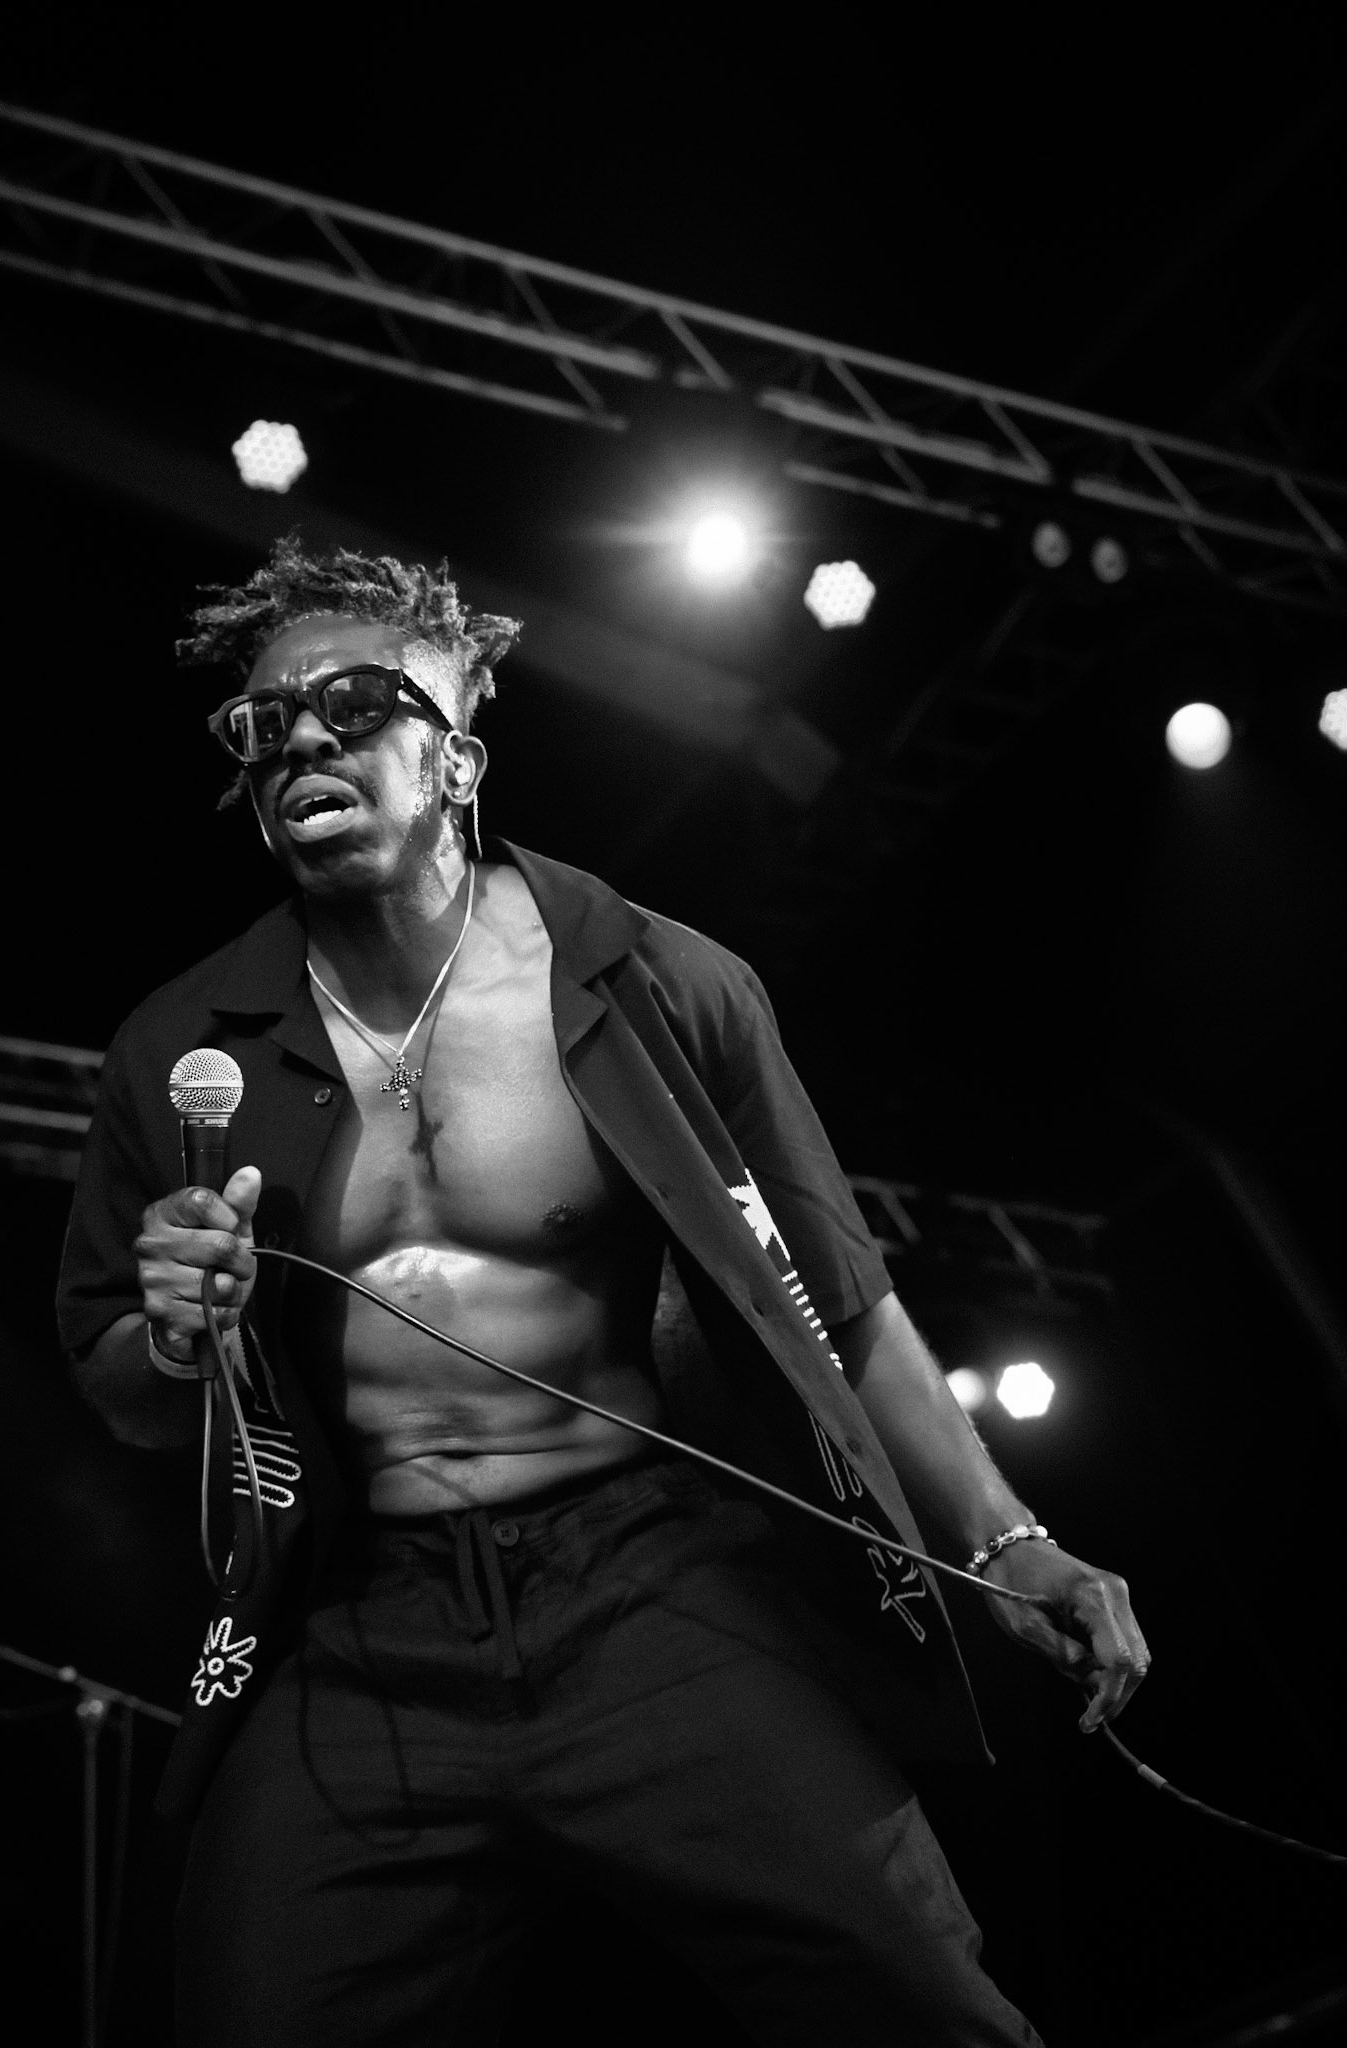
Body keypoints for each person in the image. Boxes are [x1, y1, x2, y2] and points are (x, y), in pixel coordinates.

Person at [58, 537, 1148, 2047]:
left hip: (647, 1583)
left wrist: (1009, 1538)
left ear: (459, 756)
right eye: (260, 723)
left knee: (910, 1996)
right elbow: (116, 1384)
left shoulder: (656, 981)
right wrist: (177, 1336)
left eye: (358, 700)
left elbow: (841, 1302)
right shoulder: (182, 1046)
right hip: (363, 1631)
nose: (300, 733)